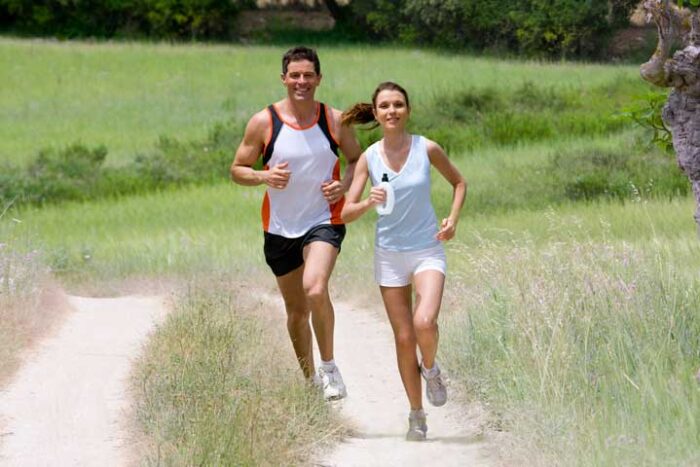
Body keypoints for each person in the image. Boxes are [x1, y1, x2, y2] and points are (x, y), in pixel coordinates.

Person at [230, 46, 361, 400]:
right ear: (284, 78)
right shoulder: (263, 122)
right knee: (297, 312)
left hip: (324, 218)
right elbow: (237, 170)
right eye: (295, 75)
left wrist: (344, 186)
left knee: (315, 288)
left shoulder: (334, 120)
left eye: (308, 75)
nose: (301, 81)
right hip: (280, 227)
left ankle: (329, 367)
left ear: (319, 79)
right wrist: (264, 176)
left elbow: (357, 160)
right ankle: (310, 383)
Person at [340, 82, 467, 440]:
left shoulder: (427, 148)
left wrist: (452, 220)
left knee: (425, 322)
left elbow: (459, 183)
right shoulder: (369, 157)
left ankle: (431, 369)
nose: (392, 111)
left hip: (427, 248)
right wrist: (368, 202)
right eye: (384, 106)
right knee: (404, 337)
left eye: (398, 104)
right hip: (390, 254)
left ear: (408, 110)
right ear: (376, 113)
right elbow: (346, 212)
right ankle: (416, 415)